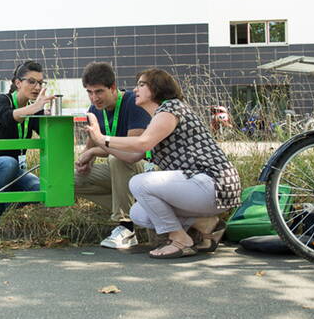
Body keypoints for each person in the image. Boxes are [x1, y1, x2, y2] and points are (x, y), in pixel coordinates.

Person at [85, 68, 241, 259]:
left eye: (142, 85)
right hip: (200, 186)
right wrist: (96, 147)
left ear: (157, 88)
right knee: (138, 213)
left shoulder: (171, 108)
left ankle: (180, 240)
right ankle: (205, 224)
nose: (135, 90)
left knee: (139, 182)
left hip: (213, 182)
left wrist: (102, 139)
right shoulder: (158, 117)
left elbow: (143, 143)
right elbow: (133, 155)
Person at [74, 62, 151, 249]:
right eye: (89, 92)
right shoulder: (94, 110)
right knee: (70, 180)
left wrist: (94, 150)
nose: (94, 98)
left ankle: (126, 226)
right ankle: (141, 213)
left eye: (99, 91)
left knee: (117, 158)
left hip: (148, 169)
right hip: (121, 173)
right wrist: (85, 159)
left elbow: (132, 148)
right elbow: (92, 142)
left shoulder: (134, 102)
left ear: (113, 87)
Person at [0, 61, 54, 226]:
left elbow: (46, 135)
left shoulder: (34, 109)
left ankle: (3, 205)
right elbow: (8, 118)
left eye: (40, 83)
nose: (37, 87)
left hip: (14, 172)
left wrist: (48, 119)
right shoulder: (2, 100)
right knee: (8, 162)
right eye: (31, 81)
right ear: (18, 83)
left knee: (40, 190)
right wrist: (34, 108)